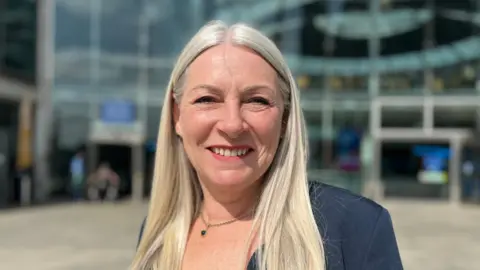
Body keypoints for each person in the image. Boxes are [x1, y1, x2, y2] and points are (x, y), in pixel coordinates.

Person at [132, 21, 403, 270]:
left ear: (284, 119)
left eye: (257, 101)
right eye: (207, 99)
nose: (232, 124)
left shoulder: (356, 229)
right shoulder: (158, 237)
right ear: (177, 116)